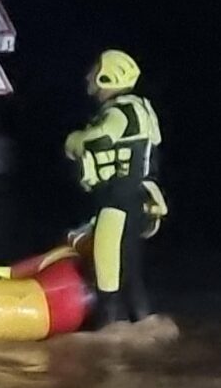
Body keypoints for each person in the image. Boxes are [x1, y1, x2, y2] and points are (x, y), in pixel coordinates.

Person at [63, 49, 167, 327]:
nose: (89, 77)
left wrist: (74, 140)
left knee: (107, 271)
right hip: (138, 200)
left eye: (95, 71)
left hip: (117, 202)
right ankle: (144, 323)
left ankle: (109, 334)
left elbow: (97, 140)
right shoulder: (142, 108)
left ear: (108, 76)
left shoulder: (120, 113)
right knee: (131, 270)